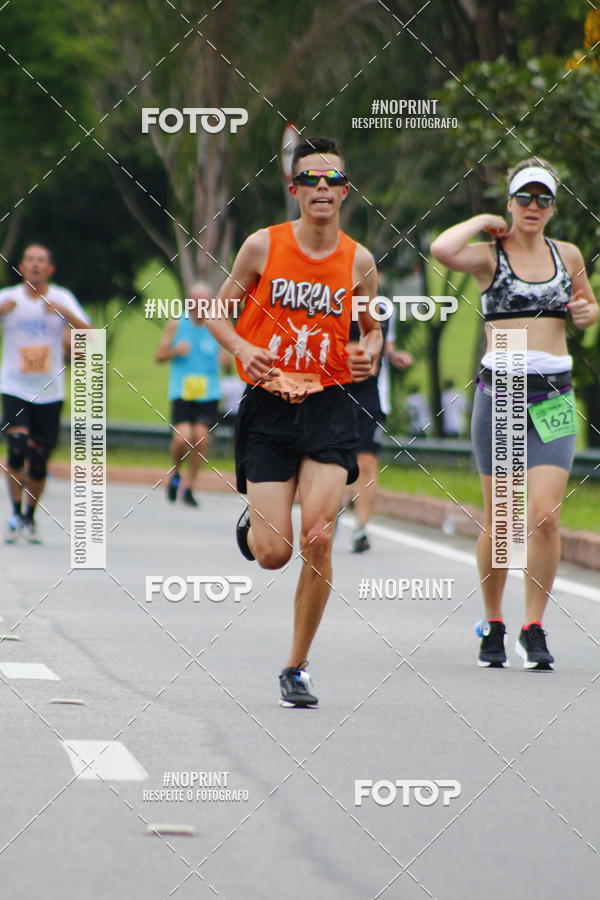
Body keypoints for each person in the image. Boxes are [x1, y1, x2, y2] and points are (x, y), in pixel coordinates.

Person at [205, 136, 381, 707]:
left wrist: (368, 353)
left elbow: (371, 330)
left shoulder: (359, 261)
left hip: (330, 406)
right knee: (274, 553)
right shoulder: (262, 246)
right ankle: (256, 527)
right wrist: (241, 347)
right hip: (269, 406)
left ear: (346, 192)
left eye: (332, 180)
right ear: (294, 189)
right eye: (311, 179)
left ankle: (296, 667)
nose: (322, 187)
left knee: (320, 536)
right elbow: (216, 312)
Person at [431, 158, 599, 670]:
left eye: (543, 199)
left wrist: (587, 312)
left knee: (545, 516)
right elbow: (441, 249)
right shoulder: (490, 255)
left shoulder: (567, 254)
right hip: (501, 391)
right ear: (509, 203)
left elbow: (587, 306)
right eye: (524, 197)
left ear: (553, 208)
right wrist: (482, 222)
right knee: (501, 518)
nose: (533, 206)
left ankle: (533, 626)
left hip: (553, 394)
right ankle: (493, 622)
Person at [0, 243, 91, 543]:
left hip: (49, 391)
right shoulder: (8, 298)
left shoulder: (62, 298)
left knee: (39, 459)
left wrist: (65, 314)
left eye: (41, 260)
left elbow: (91, 336)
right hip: (14, 386)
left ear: (50, 269)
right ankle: (15, 513)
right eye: (30, 260)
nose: (35, 265)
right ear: (21, 267)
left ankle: (29, 516)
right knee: (17, 446)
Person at [345, 303, 412, 552]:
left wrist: (394, 356)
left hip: (371, 397)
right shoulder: (330, 298)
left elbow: (386, 347)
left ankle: (361, 529)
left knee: (366, 462)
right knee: (333, 461)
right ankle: (331, 510)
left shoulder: (384, 309)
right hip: (334, 392)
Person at [156, 283, 222, 508]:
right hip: (182, 391)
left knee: (201, 439)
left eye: (205, 303)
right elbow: (159, 355)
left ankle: (190, 486)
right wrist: (175, 351)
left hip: (208, 392)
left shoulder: (217, 325)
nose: (200, 308)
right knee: (182, 438)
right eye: (196, 303)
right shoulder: (177, 324)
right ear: (189, 303)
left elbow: (228, 356)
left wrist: (225, 360)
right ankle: (175, 472)